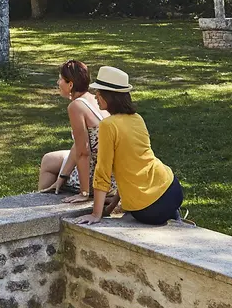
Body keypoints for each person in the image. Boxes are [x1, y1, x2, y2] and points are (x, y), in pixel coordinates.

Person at [79, 65, 186, 227]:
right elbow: (132, 168)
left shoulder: (108, 125)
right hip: (172, 188)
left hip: (148, 207)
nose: (95, 97)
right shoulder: (137, 118)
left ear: (109, 97)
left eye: (99, 94)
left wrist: (96, 214)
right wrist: (111, 207)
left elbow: (103, 172)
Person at [37, 60, 109, 204]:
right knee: (49, 159)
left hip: (98, 176)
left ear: (70, 85)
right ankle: (52, 191)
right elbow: (80, 144)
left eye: (60, 79)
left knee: (48, 163)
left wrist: (84, 193)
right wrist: (63, 176)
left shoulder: (76, 106)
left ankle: (42, 206)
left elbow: (84, 152)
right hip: (110, 171)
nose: (58, 82)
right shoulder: (93, 99)